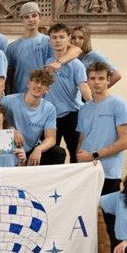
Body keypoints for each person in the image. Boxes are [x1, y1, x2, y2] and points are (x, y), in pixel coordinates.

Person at [76, 62, 127, 195]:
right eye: (92, 78)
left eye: (101, 78)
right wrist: (79, 160)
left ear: (108, 80)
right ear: (87, 81)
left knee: (108, 209)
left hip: (108, 173)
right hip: (86, 171)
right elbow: (82, 139)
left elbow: (125, 141)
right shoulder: (84, 108)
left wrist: (93, 155)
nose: (96, 82)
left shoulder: (119, 104)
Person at [4, 2, 81, 94]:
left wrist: (59, 62)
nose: (31, 19)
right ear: (22, 20)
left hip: (46, 95)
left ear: (40, 17)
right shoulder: (13, 47)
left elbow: (76, 50)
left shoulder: (49, 41)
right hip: (21, 94)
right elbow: (8, 76)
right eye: (26, 17)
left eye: (34, 15)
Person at [44, 23, 90, 157]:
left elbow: (83, 86)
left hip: (72, 114)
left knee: (77, 153)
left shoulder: (77, 65)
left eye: (61, 37)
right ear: (50, 40)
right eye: (54, 37)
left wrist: (92, 104)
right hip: (51, 116)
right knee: (52, 153)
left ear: (68, 38)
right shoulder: (48, 63)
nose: (58, 40)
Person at [0, 69, 64, 165]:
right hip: (10, 149)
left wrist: (39, 149)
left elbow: (51, 138)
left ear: (47, 89)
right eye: (36, 81)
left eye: (43, 83)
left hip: (31, 150)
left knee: (58, 153)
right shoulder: (7, 101)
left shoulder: (49, 109)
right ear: (28, 83)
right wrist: (9, 129)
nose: (39, 85)